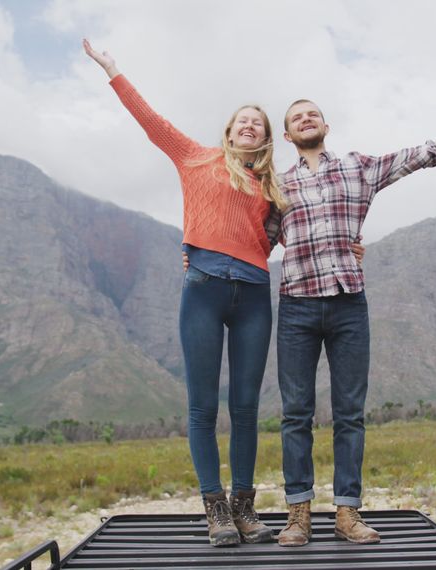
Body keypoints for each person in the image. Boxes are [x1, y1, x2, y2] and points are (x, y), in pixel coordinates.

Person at [274, 99, 436, 547]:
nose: (305, 119)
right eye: (295, 117)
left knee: (349, 414)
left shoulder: (358, 168)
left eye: (312, 113)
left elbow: (421, 154)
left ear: (326, 125)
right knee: (296, 415)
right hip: (296, 307)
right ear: (287, 136)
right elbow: (250, 235)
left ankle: (347, 513)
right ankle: (298, 517)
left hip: (348, 302)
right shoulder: (276, 184)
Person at [81, 39, 282, 547]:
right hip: (204, 291)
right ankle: (214, 510)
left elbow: (291, 234)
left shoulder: (274, 188)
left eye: (258, 122)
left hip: (256, 295)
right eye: (243, 119)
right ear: (229, 129)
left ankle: (244, 508)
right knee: (201, 408)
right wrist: (113, 70)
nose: (249, 125)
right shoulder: (195, 157)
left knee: (245, 409)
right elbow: (151, 121)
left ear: (265, 138)